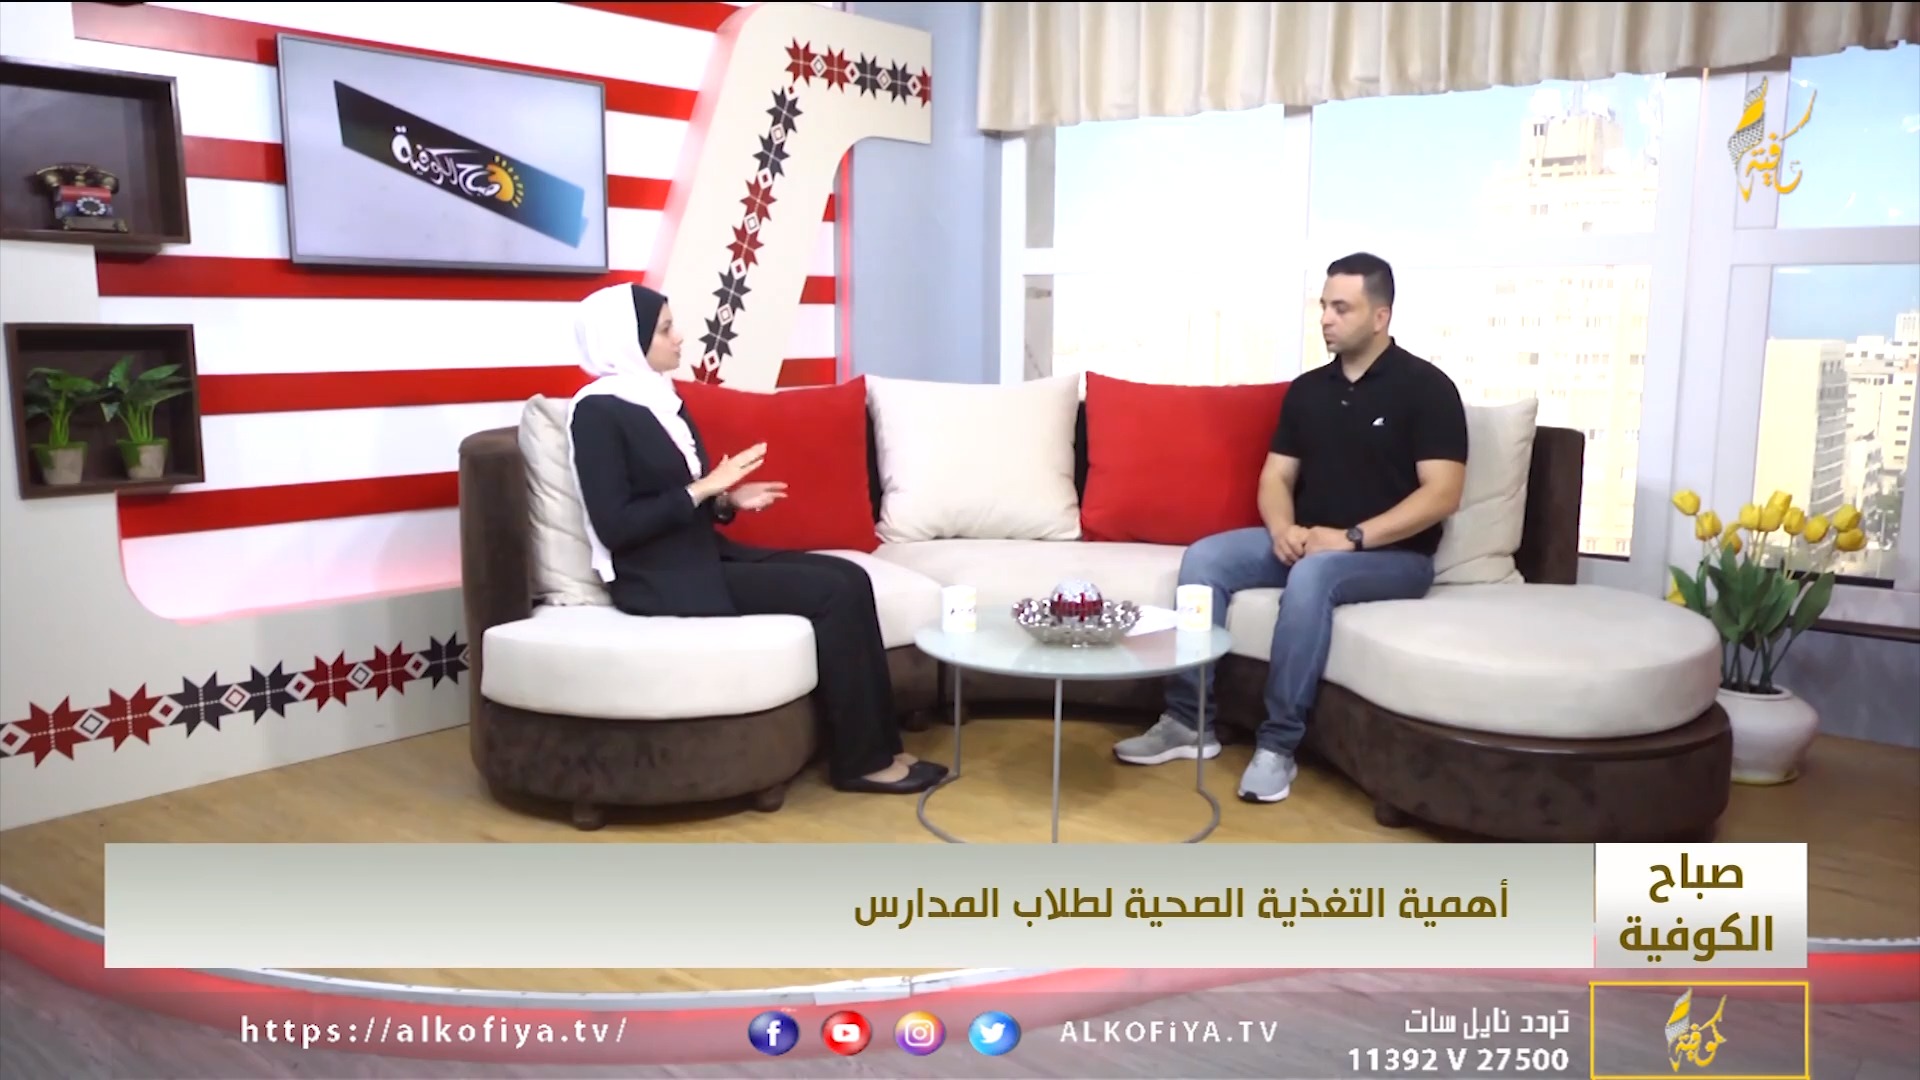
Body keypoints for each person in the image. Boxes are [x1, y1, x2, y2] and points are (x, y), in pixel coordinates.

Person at [1113, 253, 1469, 804]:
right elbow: (1276, 476)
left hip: (1393, 558)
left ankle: (1278, 745)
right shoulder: (1308, 391)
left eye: (1341, 308)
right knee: (1205, 559)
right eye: (1324, 306)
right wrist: (1281, 528)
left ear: (1380, 317)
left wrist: (1350, 538)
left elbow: (1442, 493)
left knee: (1314, 575)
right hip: (1308, 541)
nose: (1326, 318)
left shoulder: (1427, 388)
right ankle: (1188, 720)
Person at [565, 282, 946, 796]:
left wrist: (727, 500)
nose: (680, 337)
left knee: (850, 578)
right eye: (665, 329)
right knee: (832, 593)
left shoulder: (658, 399)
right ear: (627, 340)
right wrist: (704, 488)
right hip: (658, 579)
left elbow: (683, 502)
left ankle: (880, 747)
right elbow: (616, 524)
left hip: (702, 556)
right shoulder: (596, 413)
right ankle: (861, 763)